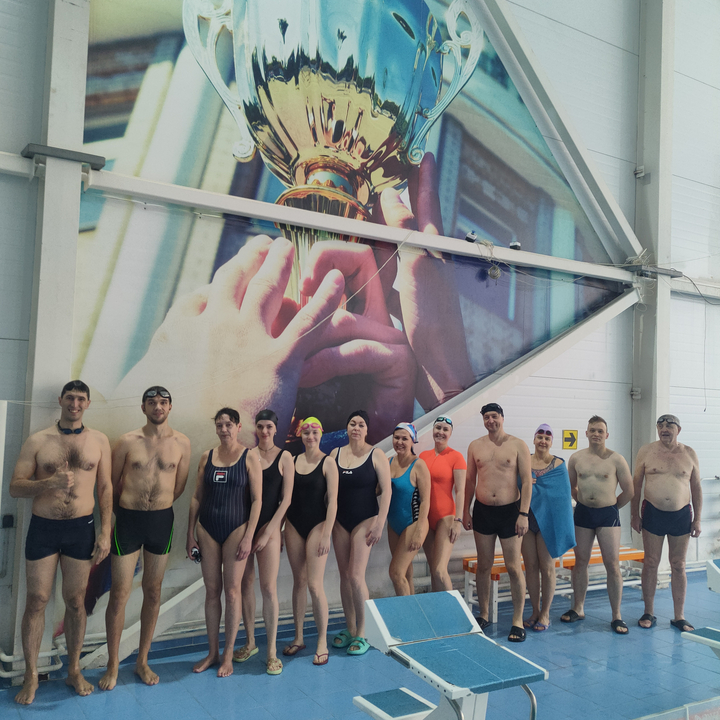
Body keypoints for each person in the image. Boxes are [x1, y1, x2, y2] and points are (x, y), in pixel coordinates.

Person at [9, 381, 112, 705]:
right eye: (70, 397)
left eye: (81, 399)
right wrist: (48, 483)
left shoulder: (99, 441)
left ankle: (73, 670)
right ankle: (31, 676)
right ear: (60, 400)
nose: (75, 403)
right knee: (37, 600)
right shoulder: (38, 440)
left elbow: (105, 487)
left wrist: (106, 531)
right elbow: (15, 487)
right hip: (44, 528)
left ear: (88, 403)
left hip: (81, 529)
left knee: (76, 601)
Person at [99, 386, 191, 690]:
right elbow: (110, 484)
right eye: (152, 402)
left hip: (160, 522)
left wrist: (157, 506)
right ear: (143, 408)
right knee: (119, 593)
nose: (158, 407)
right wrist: (119, 516)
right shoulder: (127, 441)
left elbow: (179, 487)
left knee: (153, 591)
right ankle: (113, 664)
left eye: (163, 402)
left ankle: (142, 661)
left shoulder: (182, 443)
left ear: (170, 407)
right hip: (128, 521)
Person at [186, 407, 262, 676]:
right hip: (207, 529)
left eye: (229, 424)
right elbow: (197, 497)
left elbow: (257, 500)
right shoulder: (207, 457)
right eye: (219, 425)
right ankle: (212, 653)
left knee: (232, 591)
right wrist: (189, 534)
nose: (224, 429)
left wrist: (249, 536)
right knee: (211, 591)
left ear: (238, 427)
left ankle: (228, 655)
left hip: (236, 530)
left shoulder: (249, 457)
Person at [463, 403, 532, 642]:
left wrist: (523, 514)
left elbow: (527, 481)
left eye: (494, 416)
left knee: (513, 567)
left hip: (510, 512)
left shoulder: (518, 445)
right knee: (484, 565)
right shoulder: (475, 446)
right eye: (486, 417)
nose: (490, 421)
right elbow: (469, 481)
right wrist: (465, 511)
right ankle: (483, 614)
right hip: (483, 511)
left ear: (502, 417)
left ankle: (517, 620)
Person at [233, 409, 293, 674]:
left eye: (269, 426)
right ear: (255, 429)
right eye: (260, 426)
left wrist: (271, 531)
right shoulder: (248, 455)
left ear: (276, 428)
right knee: (245, 584)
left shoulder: (285, 457)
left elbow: (286, 500)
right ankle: (250, 642)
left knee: (268, 588)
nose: (265, 431)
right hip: (245, 527)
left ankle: (271, 652)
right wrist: (245, 531)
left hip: (270, 527)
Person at [561, 415, 633, 634]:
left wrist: (611, 507)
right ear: (586, 433)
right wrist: (583, 501)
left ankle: (616, 615)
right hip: (583, 513)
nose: (596, 434)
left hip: (607, 515)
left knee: (612, 563)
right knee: (580, 561)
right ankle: (578, 607)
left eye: (600, 431)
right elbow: (571, 486)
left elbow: (629, 490)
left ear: (607, 435)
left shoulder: (616, 459)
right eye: (592, 430)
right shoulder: (576, 458)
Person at [631, 414, 702, 632]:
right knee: (651, 562)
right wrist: (634, 515)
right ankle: (648, 612)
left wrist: (698, 519)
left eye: (669, 425)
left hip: (681, 515)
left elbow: (696, 487)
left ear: (678, 430)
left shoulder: (689, 453)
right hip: (653, 512)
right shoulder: (646, 451)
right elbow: (636, 484)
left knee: (678, 564)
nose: (664, 428)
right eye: (660, 425)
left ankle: (679, 616)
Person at [330, 411, 391, 655]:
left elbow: (386, 490)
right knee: (344, 576)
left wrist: (380, 523)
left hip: (365, 520)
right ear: (347, 428)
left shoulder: (376, 454)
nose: (356, 427)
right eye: (352, 423)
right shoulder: (335, 454)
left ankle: (363, 632)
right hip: (340, 522)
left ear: (367, 430)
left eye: (361, 424)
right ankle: (351, 627)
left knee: (356, 576)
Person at [283, 417, 339, 666]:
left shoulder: (328, 463)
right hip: (293, 525)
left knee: (315, 586)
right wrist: (281, 527)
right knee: (299, 582)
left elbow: (333, 501)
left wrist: (327, 533)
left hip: (318, 525)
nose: (310, 436)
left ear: (321, 433)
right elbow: (285, 497)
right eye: (306, 432)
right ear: (300, 435)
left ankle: (322, 641)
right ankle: (298, 637)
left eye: (315, 432)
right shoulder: (293, 461)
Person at [521, 424, 575, 632]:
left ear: (551, 442)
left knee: (547, 567)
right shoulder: (524, 461)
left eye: (547, 438)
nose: (543, 441)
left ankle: (545, 613)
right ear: (534, 439)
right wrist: (526, 483)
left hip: (548, 522)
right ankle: (535, 610)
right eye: (540, 437)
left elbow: (562, 498)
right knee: (530, 566)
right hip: (527, 519)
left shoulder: (559, 465)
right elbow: (516, 485)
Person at [418, 416, 466, 592]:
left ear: (450, 433)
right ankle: (437, 607)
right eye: (438, 428)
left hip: (446, 517)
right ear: (433, 430)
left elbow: (460, 491)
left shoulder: (456, 457)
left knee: (439, 570)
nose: (441, 432)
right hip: (426, 518)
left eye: (445, 429)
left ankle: (453, 607)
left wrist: (458, 521)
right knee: (433, 570)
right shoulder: (423, 456)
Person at [387, 423, 431, 595]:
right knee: (405, 573)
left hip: (413, 523)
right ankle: (412, 607)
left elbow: (426, 500)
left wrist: (420, 531)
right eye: (396, 438)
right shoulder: (389, 462)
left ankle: (405, 611)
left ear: (413, 441)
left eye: (404, 438)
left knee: (396, 573)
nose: (399, 442)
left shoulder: (419, 465)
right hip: (393, 524)